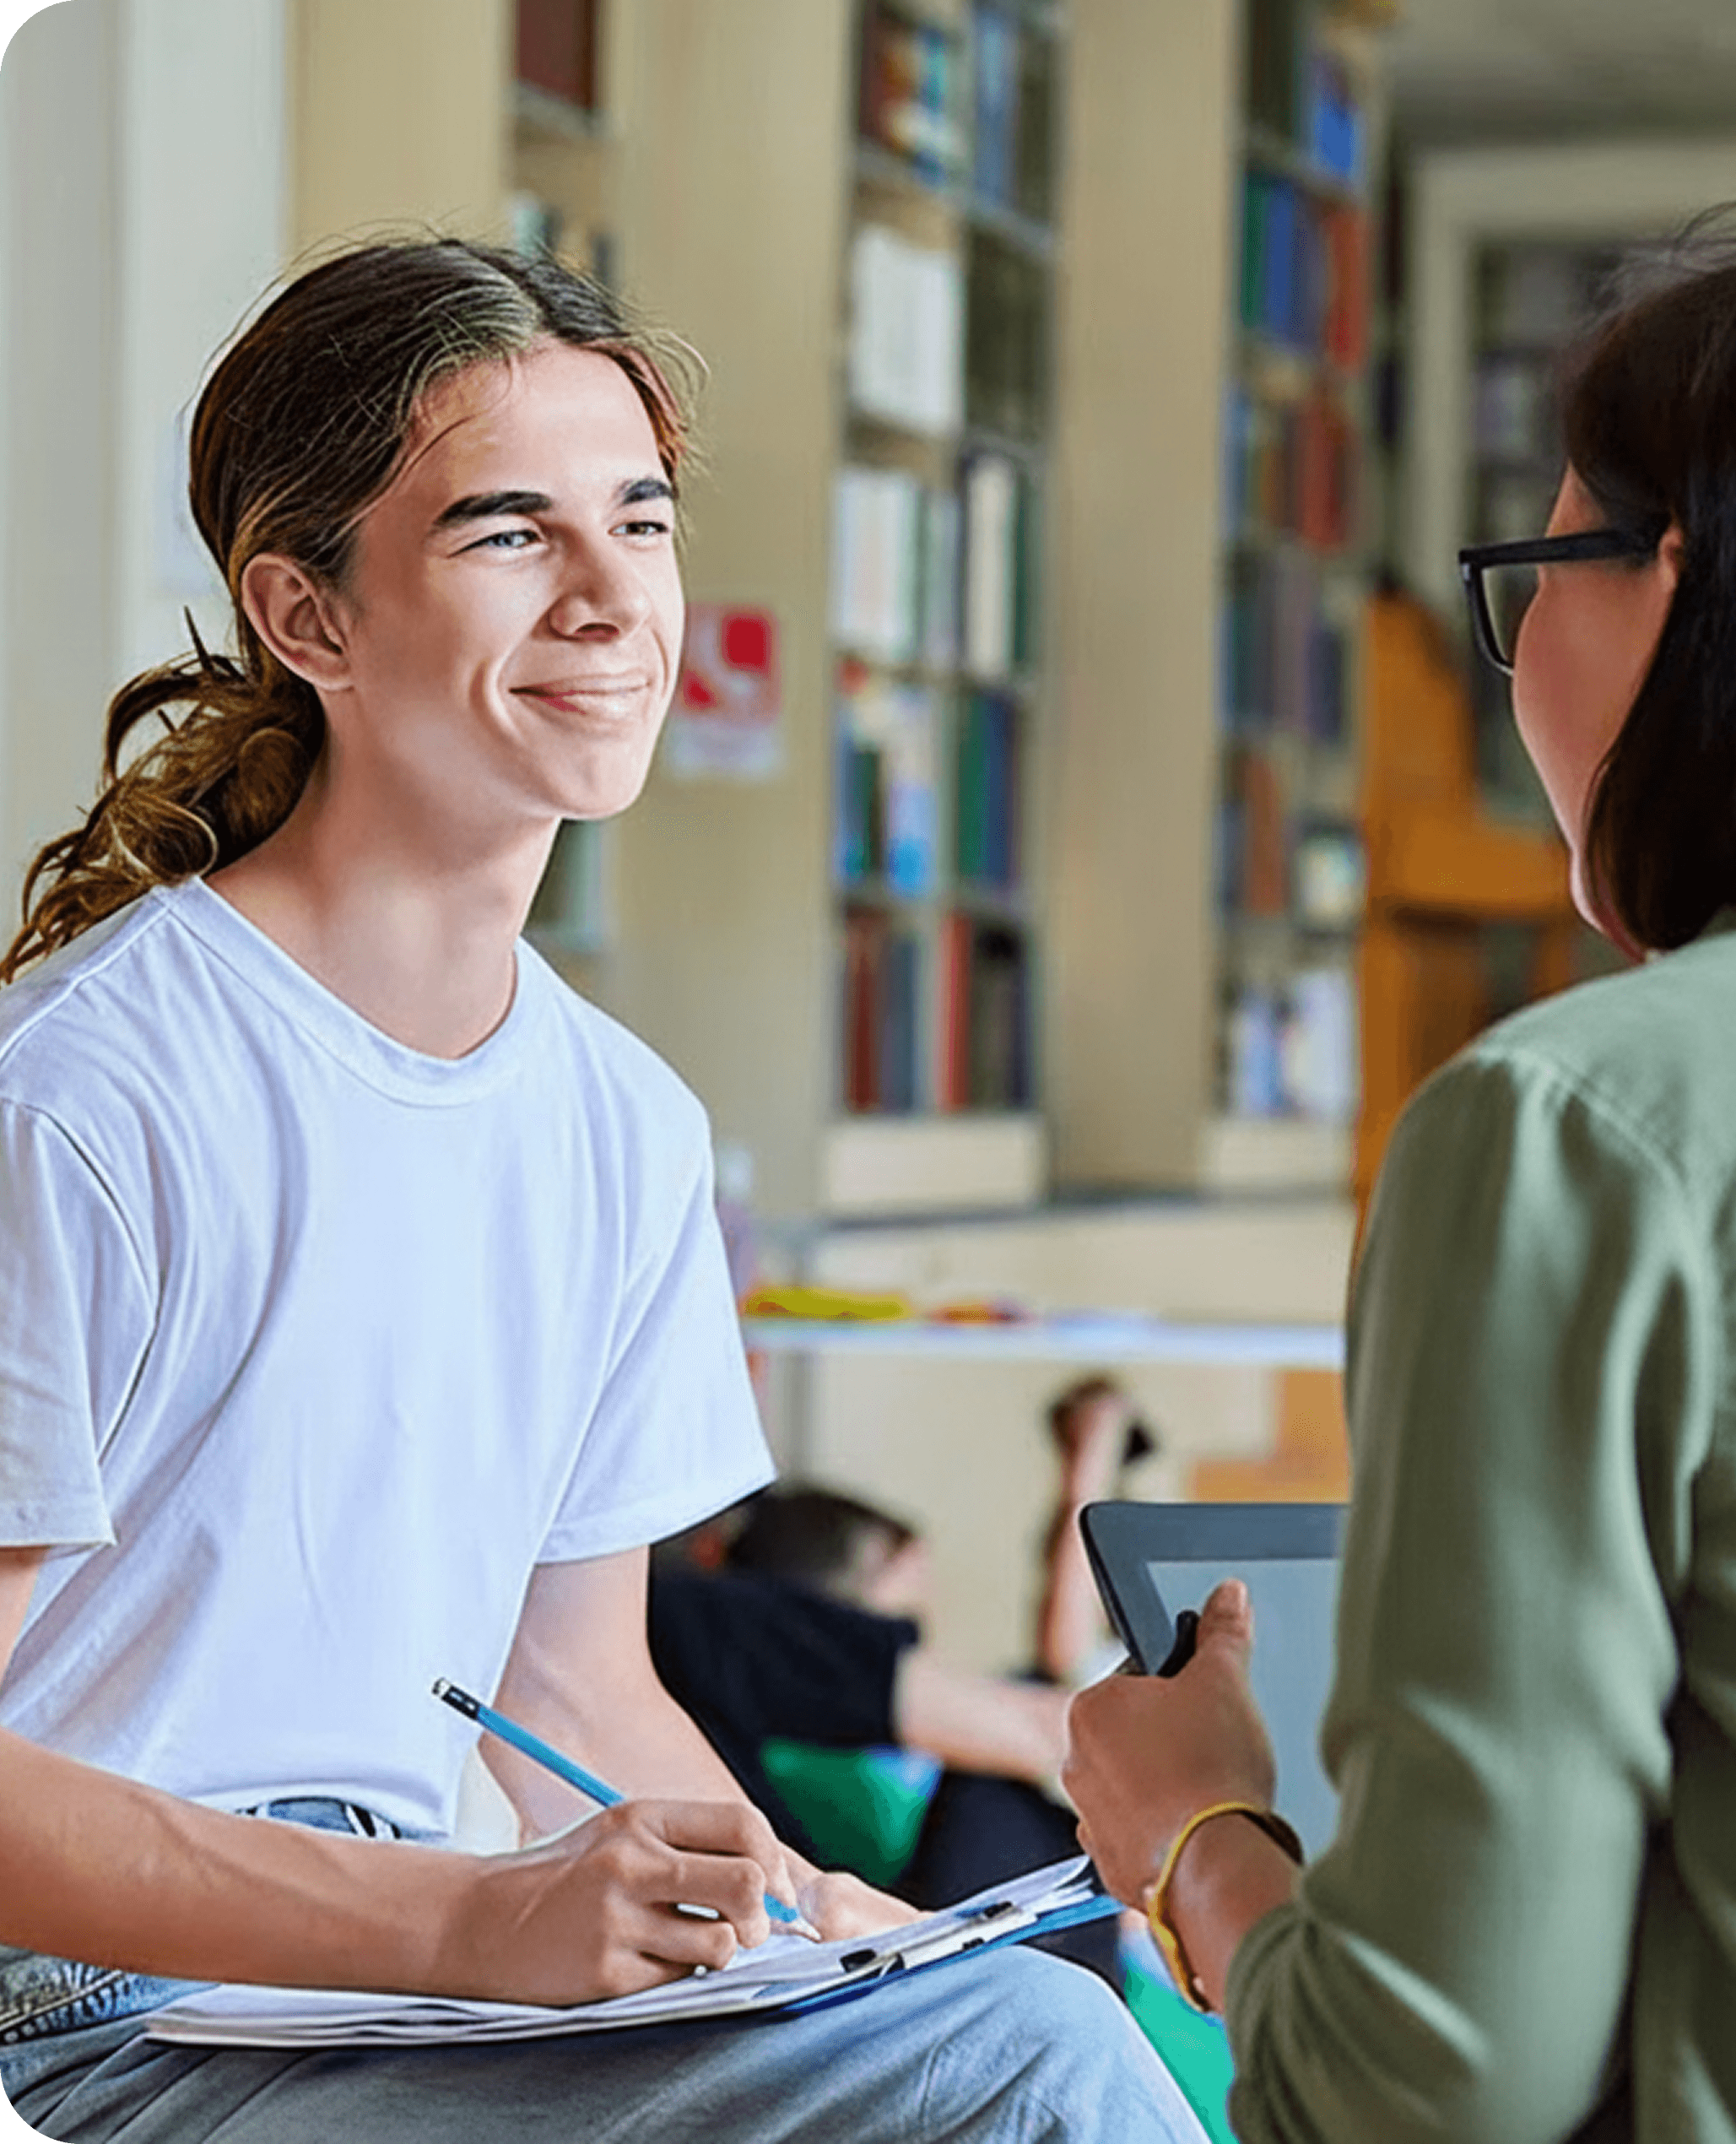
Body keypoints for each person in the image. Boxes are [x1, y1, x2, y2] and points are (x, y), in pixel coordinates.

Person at [0, 236, 1204, 2143]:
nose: (610, 600)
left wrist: (816, 1917)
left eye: (635, 522)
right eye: (506, 534)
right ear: (304, 612)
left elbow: (577, 1683)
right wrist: (466, 1911)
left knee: (1027, 2033)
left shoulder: (618, 1125)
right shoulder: (87, 1086)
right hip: (79, 2037)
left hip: (378, 2003)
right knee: (1023, 2081)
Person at [1065, 197, 1736, 2144]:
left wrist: (1198, 1839)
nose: (1518, 663)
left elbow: (1431, 2092)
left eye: (1539, 571)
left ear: (1692, 582)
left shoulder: (1587, 1123)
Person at [646, 1381, 1149, 1974]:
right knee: (1012, 1772)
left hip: (848, 1946)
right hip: (885, 1960)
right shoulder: (734, 1635)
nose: (922, 1644)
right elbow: (1049, 1721)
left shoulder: (684, 1653)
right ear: (835, 1621)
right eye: (904, 1625)